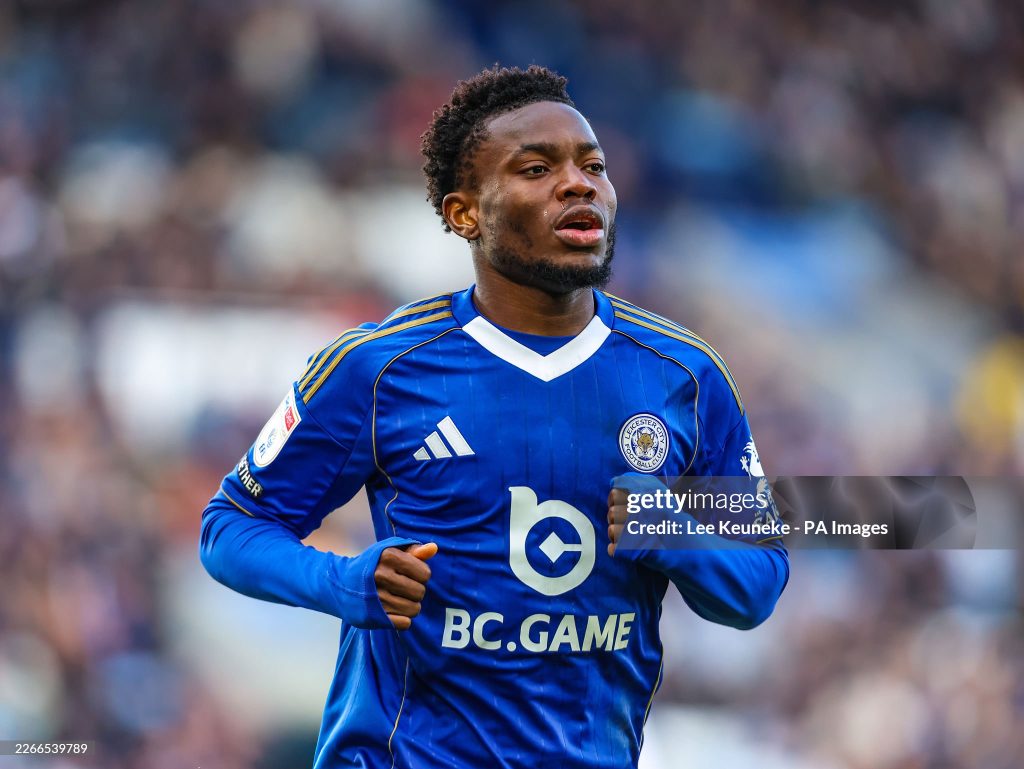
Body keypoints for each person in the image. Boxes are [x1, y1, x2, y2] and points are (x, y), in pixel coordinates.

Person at [200, 64, 789, 769]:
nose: (579, 184)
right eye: (536, 168)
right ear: (464, 213)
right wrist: (343, 582)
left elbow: (756, 581)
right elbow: (230, 527)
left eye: (593, 166)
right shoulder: (378, 368)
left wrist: (673, 532)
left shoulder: (685, 376)